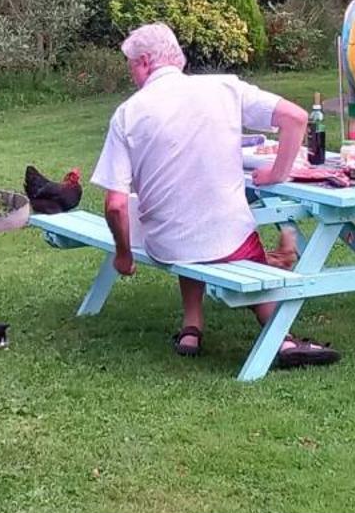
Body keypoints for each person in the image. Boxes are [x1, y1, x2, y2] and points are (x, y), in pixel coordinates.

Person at [93, 21, 340, 368]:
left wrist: (123, 256)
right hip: (226, 240)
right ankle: (281, 340)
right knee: (227, 229)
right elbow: (296, 118)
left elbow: (116, 205)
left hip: (166, 244)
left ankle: (191, 327)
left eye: (131, 65)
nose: (132, 75)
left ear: (146, 61)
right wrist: (276, 174)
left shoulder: (127, 113)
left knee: (187, 214)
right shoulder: (224, 88)